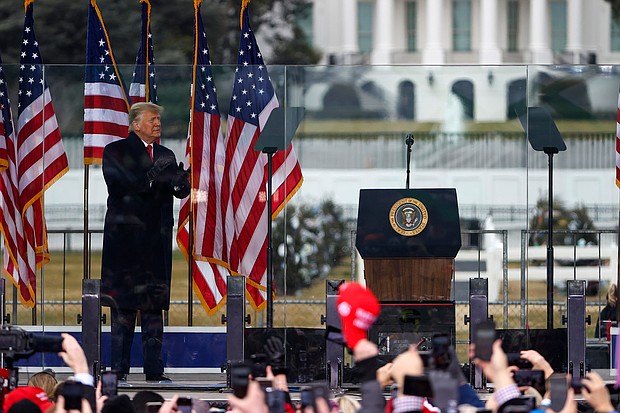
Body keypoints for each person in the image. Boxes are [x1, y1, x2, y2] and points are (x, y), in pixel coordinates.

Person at [101, 102, 190, 382]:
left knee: (153, 308)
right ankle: (119, 370)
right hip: (126, 242)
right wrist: (154, 174)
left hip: (156, 242)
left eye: (159, 120)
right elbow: (123, 186)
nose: (157, 124)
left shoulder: (165, 154)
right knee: (124, 308)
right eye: (152, 119)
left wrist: (181, 182)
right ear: (135, 124)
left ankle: (155, 370)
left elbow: (177, 191)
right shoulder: (116, 151)